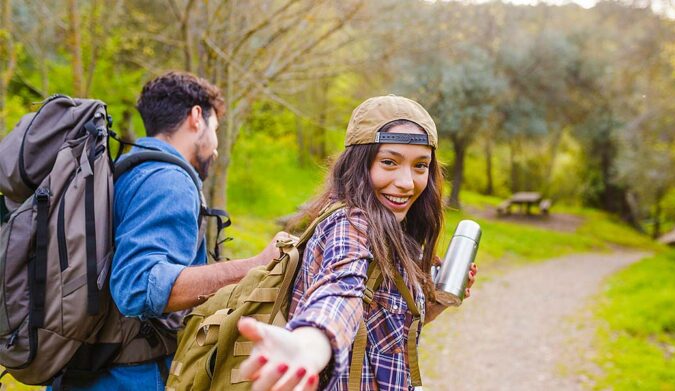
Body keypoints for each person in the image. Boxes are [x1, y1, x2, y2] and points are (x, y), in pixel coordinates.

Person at [58, 72, 285, 390]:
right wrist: (255, 265)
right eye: (216, 130)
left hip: (88, 370)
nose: (216, 148)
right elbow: (138, 285)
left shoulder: (128, 168)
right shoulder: (168, 180)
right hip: (128, 376)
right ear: (196, 117)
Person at [237, 95, 478, 390]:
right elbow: (340, 291)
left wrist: (434, 303)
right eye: (389, 162)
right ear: (359, 165)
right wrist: (310, 344)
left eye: (420, 165)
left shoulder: (392, 229)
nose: (406, 181)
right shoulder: (350, 224)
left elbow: (384, 335)